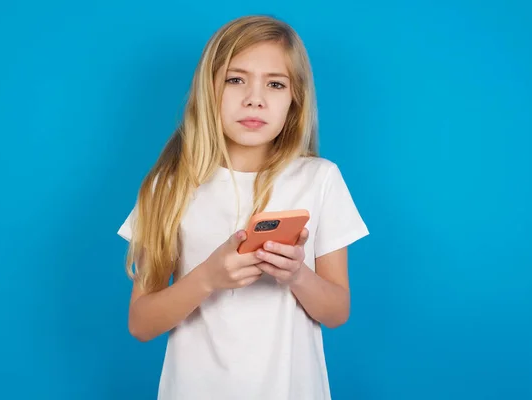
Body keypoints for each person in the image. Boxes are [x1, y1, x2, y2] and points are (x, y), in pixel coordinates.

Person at [117, 14, 369, 400]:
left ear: (294, 99)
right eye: (236, 80)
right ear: (209, 90)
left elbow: (336, 312)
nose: (255, 98)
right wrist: (208, 278)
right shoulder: (167, 187)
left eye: (275, 83)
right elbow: (141, 324)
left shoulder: (320, 179)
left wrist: (296, 275)